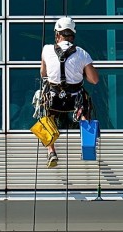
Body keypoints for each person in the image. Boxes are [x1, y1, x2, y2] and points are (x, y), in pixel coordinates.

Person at [39, 17, 99, 168]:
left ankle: (51, 151)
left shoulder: (46, 50)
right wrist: (81, 71)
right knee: (84, 114)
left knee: (46, 116)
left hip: (54, 100)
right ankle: (87, 147)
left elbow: (43, 73)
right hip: (74, 100)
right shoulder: (82, 53)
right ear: (73, 35)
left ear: (57, 34)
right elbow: (94, 80)